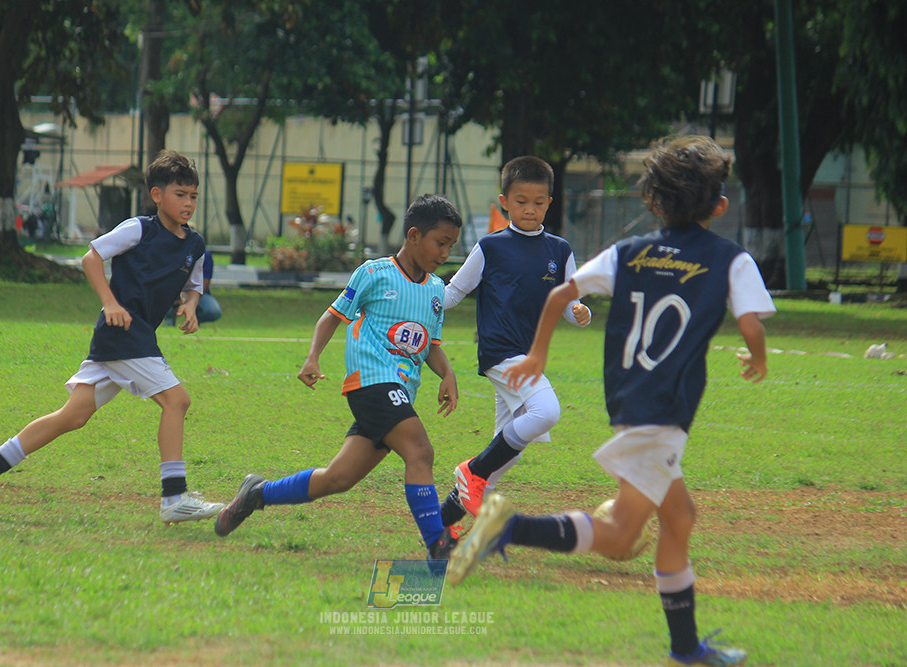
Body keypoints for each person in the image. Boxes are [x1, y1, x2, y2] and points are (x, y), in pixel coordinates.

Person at [447, 136, 776, 666]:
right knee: (622, 535)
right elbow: (752, 327)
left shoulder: (630, 251)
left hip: (631, 401)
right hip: (665, 411)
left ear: (653, 202)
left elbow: (561, 296)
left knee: (680, 518)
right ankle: (505, 527)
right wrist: (756, 359)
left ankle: (686, 647)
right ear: (719, 205)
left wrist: (538, 352)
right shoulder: (730, 259)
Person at [0, 150, 225, 525]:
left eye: (193, 196)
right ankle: (174, 497)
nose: (188, 203)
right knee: (177, 401)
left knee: (74, 415)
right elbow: (91, 258)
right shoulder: (139, 228)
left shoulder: (194, 244)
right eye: (179, 194)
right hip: (124, 333)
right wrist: (109, 303)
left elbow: (193, 282)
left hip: (127, 338)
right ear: (156, 195)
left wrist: (192, 304)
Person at [214, 194, 462, 560]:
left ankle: (256, 493)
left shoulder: (436, 291)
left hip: (399, 393)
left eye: (451, 246)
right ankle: (437, 543)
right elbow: (332, 316)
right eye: (440, 243)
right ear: (413, 235)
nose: (445, 253)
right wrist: (312, 357)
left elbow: (430, 344)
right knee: (420, 451)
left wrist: (447, 373)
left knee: (338, 479)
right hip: (372, 382)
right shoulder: (375, 273)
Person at [439, 156, 592, 528]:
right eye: (521, 201)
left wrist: (579, 311)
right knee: (547, 411)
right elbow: (454, 292)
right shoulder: (490, 247)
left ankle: (440, 525)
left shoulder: (560, 250)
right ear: (504, 200)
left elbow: (569, 304)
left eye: (539, 202)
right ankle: (471, 470)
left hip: (528, 357)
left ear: (549, 204)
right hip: (501, 352)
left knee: (507, 454)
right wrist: (412, 303)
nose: (530, 209)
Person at [165, 249, 222, 327]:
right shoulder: (171, 252)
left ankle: (193, 319)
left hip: (197, 294)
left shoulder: (205, 255)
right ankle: (169, 317)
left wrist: (188, 300)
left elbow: (204, 285)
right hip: (173, 293)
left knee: (213, 310)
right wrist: (177, 298)